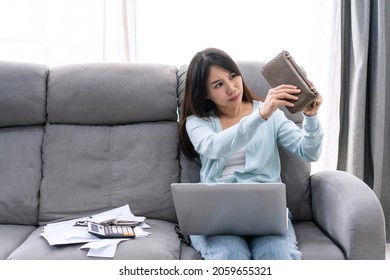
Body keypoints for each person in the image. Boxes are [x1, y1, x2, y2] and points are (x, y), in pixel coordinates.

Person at [178, 48, 324, 260]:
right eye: (218, 85)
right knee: (229, 256)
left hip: (265, 215)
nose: (231, 88)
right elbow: (214, 147)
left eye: (233, 76)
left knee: (278, 256)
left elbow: (309, 152)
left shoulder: (272, 115)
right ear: (205, 94)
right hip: (216, 216)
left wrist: (310, 116)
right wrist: (261, 115)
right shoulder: (197, 122)